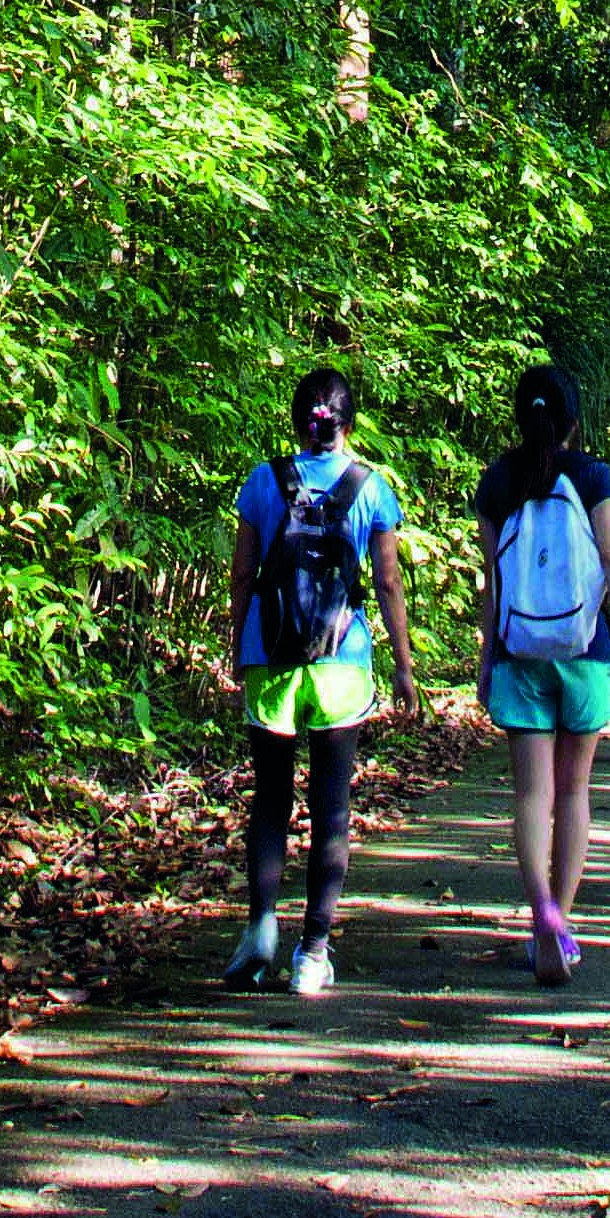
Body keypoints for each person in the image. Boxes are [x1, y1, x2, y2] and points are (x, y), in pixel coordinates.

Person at [226, 365, 414, 997]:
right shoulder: (372, 487)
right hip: (342, 662)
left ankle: (259, 933)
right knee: (332, 806)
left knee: (270, 799)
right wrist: (404, 667)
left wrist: (238, 650)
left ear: (296, 420)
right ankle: (314, 951)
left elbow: (243, 576)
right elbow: (387, 582)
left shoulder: (261, 482)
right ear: (349, 424)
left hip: (272, 659)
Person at [472, 361, 610, 983]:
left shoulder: (496, 481)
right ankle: (562, 925)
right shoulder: (594, 475)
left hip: (520, 654)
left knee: (530, 795)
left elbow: (492, 583)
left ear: (521, 416)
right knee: (574, 792)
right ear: (574, 418)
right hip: (584, 651)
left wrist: (487, 659)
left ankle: (539, 913)